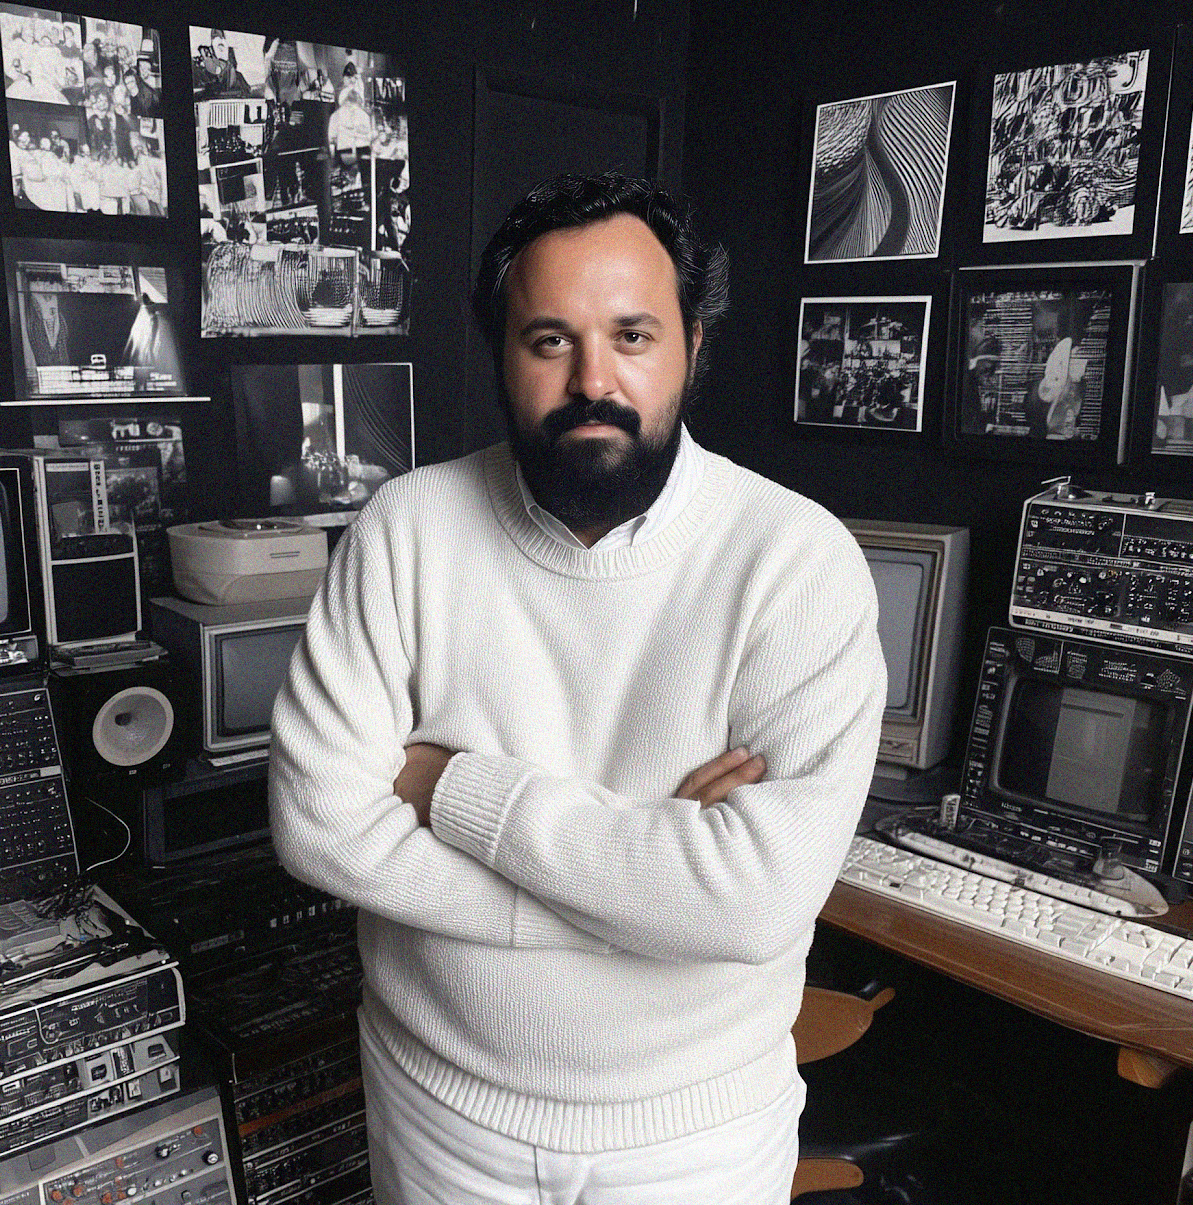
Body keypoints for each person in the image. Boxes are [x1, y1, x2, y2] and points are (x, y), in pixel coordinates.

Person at [269, 173, 886, 1203]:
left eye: (632, 335)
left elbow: (755, 904)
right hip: (439, 1115)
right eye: (549, 339)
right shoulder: (405, 529)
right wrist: (650, 887)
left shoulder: (796, 560)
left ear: (693, 344)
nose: (592, 379)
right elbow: (317, 825)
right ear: (501, 354)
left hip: (693, 1139)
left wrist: (449, 786)